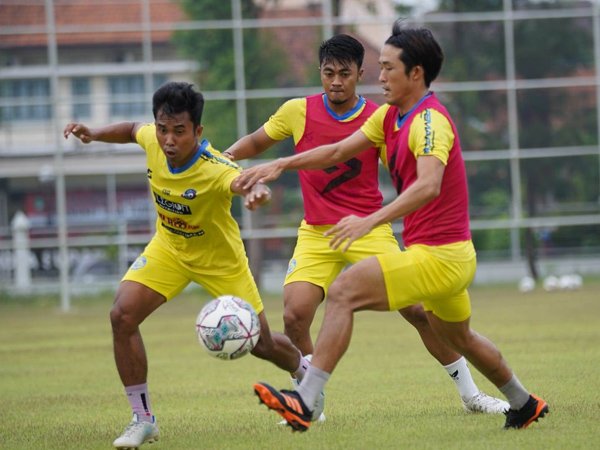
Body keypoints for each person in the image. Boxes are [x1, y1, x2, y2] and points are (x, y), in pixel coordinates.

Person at [237, 25, 549, 431]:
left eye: (387, 68)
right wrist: (280, 164)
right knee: (462, 337)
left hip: (441, 256)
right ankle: (524, 403)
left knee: (345, 292)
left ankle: (307, 402)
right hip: (433, 254)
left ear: (415, 73)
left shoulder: (429, 122)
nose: (379, 77)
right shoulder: (389, 117)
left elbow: (428, 185)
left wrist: (369, 219)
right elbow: (335, 150)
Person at [63, 81, 309, 449]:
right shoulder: (152, 140)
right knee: (122, 316)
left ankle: (306, 375)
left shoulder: (216, 167)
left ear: (198, 131)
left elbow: (241, 181)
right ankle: (142, 419)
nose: (168, 140)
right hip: (169, 250)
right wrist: (93, 133)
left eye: (179, 131)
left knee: (262, 344)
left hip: (221, 262)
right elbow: (132, 130)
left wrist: (257, 192)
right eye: (163, 129)